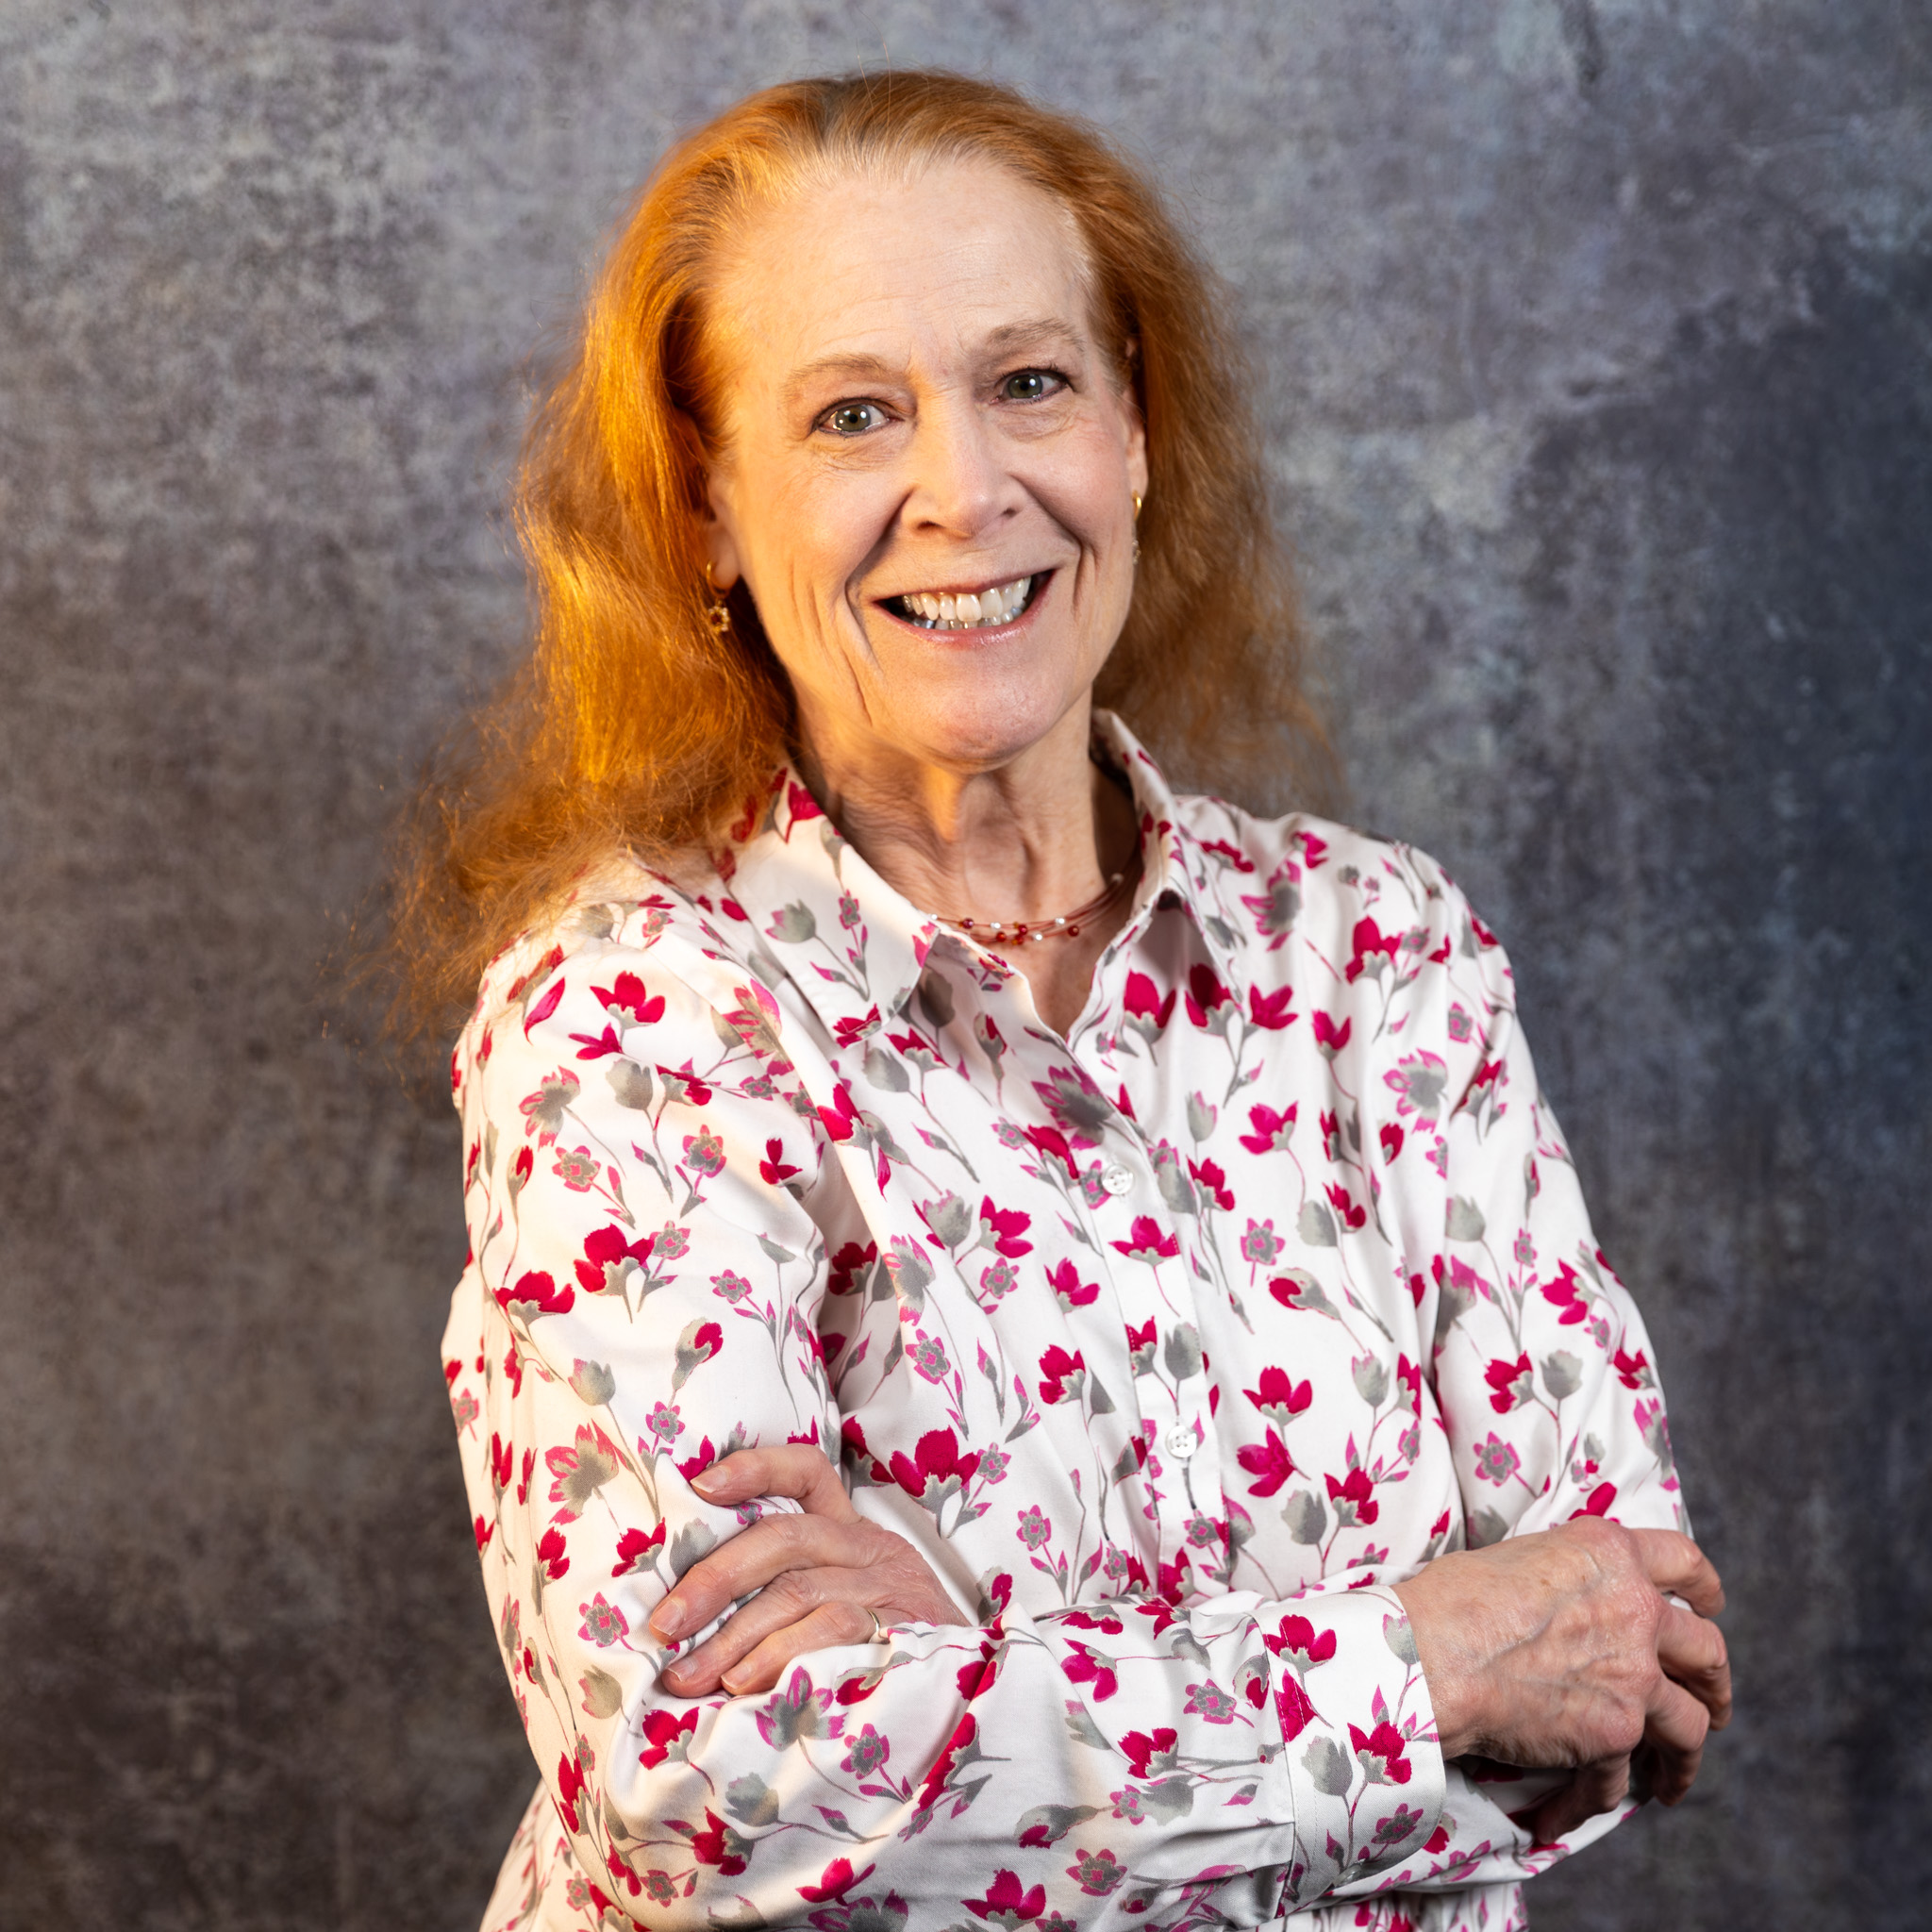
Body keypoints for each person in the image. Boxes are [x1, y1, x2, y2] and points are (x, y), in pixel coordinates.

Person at [408, 71, 1730, 1932]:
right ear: (706, 507)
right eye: (853, 414)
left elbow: (1624, 1669)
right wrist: (1425, 1660)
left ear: (1133, 429)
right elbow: (708, 1807)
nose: (966, 492)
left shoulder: (1381, 955)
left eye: (1029, 383)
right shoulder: (628, 1018)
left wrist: (972, 1664)